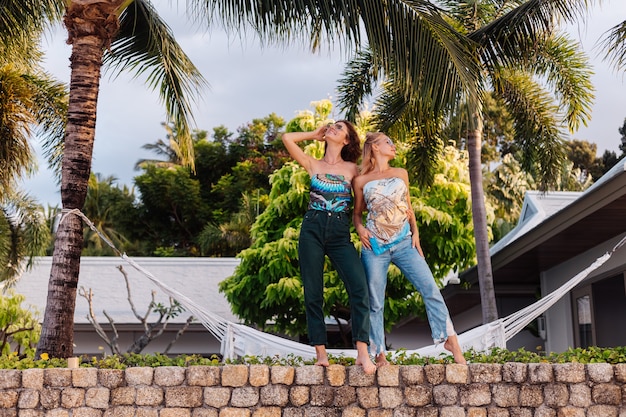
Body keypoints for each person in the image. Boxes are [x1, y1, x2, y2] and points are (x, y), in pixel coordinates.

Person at [352, 132, 466, 366]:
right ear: (374, 147)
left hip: (404, 242)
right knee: (375, 301)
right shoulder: (361, 181)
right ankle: (378, 353)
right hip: (375, 248)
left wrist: (416, 234)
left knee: (430, 289)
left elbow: (409, 208)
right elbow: (357, 214)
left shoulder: (400, 174)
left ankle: (450, 340)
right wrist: (360, 229)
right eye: (388, 142)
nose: (393, 146)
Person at [282, 121, 376, 374]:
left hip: (339, 233)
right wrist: (314, 134)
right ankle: (321, 354)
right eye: (331, 125)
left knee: (359, 288)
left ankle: (362, 352)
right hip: (312, 228)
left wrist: (361, 226)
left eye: (339, 128)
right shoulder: (314, 164)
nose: (332, 128)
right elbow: (287, 138)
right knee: (313, 292)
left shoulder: (353, 169)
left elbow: (362, 205)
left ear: (346, 140)